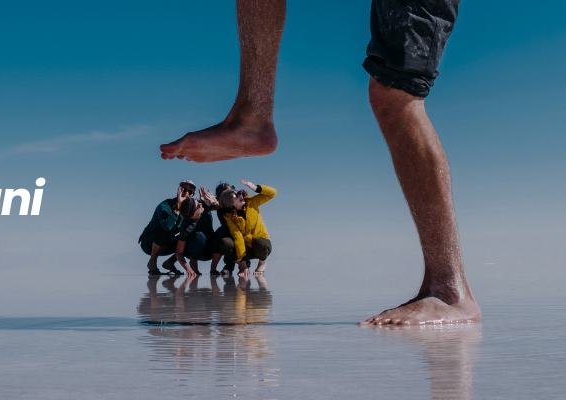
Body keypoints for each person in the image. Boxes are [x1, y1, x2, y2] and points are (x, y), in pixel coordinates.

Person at [159, 0, 480, 325]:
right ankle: (252, 116)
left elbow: (266, 196)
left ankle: (448, 291)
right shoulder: (229, 212)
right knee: (394, 95)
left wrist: (249, 191)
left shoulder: (248, 205)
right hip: (240, 249)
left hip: (254, 247)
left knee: (396, 93)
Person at [217, 180, 274, 278]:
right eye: (235, 196)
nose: (240, 195)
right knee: (225, 242)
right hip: (247, 248)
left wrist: (256, 188)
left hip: (260, 246)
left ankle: (262, 262)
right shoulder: (229, 217)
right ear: (231, 203)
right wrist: (243, 264)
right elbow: (237, 237)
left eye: (238, 192)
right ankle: (238, 264)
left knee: (261, 244)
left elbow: (272, 193)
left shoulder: (251, 202)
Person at [139, 180, 198, 275]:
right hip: (149, 243)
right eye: (184, 189)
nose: (186, 193)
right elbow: (167, 226)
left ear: (192, 195)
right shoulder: (165, 205)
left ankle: (169, 263)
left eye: (190, 192)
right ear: (179, 190)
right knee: (166, 231)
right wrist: (178, 205)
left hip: (167, 244)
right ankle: (152, 262)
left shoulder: (190, 209)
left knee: (191, 238)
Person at [167, 188, 220, 277]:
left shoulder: (203, 205)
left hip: (210, 251)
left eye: (197, 201)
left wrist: (215, 202)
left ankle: (213, 268)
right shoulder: (186, 227)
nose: (200, 203)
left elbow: (220, 207)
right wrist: (188, 268)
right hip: (193, 252)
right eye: (198, 206)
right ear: (193, 214)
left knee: (221, 232)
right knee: (199, 236)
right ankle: (194, 265)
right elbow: (179, 253)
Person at [209, 182, 238, 275]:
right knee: (222, 233)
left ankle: (244, 266)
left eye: (233, 188)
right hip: (227, 233)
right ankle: (215, 267)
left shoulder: (238, 202)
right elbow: (207, 205)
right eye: (228, 190)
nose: (232, 192)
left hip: (241, 232)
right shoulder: (219, 205)